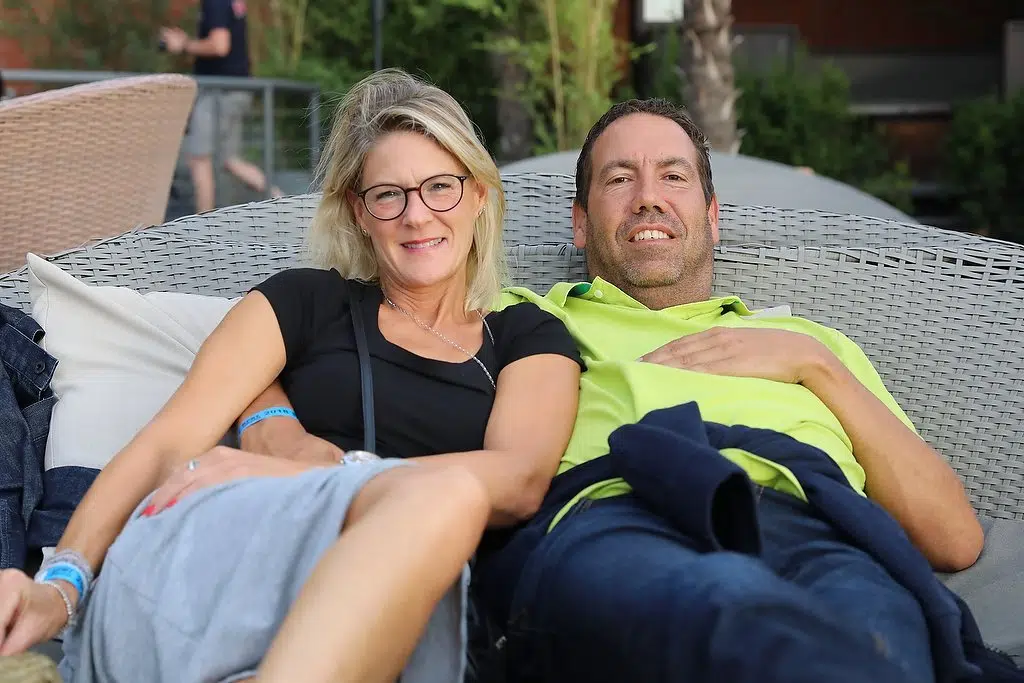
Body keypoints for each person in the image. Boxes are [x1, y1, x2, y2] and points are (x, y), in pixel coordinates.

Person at [244, 98, 1006, 683]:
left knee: (883, 637)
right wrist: (268, 413)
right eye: (618, 179)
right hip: (612, 514)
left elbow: (955, 538)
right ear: (580, 224)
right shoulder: (521, 325)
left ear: (711, 216)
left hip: (810, 523)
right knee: (725, 605)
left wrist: (816, 367)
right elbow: (321, 331)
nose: (647, 197)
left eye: (673, 176)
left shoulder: (813, 344)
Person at [0, 69, 583, 683]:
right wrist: (61, 584)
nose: (416, 215)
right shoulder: (305, 302)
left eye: (440, 187)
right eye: (389, 195)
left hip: (389, 606)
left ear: (479, 195)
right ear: (360, 213)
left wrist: (322, 471)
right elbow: (167, 443)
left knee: (447, 500)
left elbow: (519, 480)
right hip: (220, 561)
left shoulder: (524, 336)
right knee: (446, 493)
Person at [160, 0, 282, 213]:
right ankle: (281, 199)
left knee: (198, 159)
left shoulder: (215, 2)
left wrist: (184, 45)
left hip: (220, 93)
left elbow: (219, 45)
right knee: (229, 160)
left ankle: (204, 225)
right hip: (235, 90)